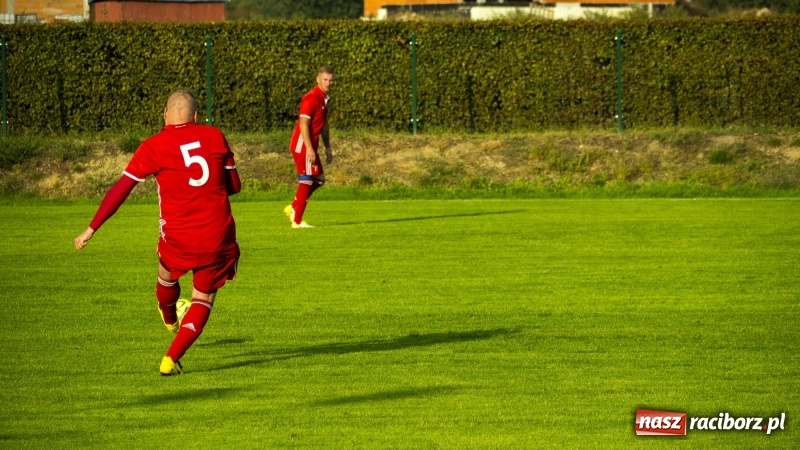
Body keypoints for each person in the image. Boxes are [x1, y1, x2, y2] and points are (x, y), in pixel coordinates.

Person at [74, 89, 241, 376]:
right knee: (203, 299)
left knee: (165, 274)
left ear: (165, 114)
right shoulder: (215, 136)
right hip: (217, 236)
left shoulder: (154, 146)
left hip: (178, 237)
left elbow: (121, 189)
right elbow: (234, 186)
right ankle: (170, 359)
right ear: (197, 117)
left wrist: (91, 229)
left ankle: (168, 314)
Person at [284, 66, 334, 228]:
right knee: (306, 179)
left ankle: (294, 207)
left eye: (331, 80)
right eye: (325, 80)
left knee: (319, 180)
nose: (328, 83)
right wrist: (310, 148)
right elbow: (303, 123)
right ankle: (297, 221)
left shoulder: (325, 99)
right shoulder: (311, 98)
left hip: (310, 144)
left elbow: (324, 125)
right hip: (303, 144)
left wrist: (327, 147)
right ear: (317, 79)